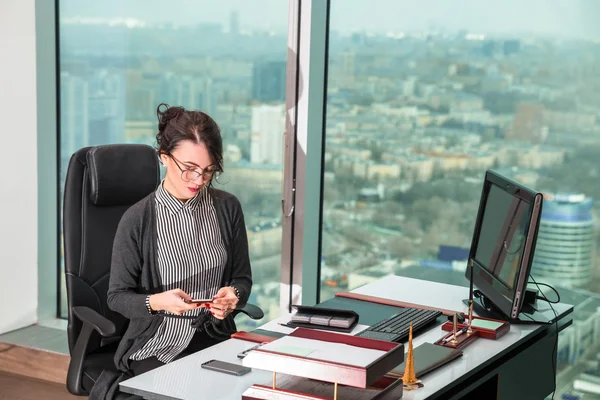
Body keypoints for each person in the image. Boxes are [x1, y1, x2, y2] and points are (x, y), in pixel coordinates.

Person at [106, 103, 253, 378]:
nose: (199, 179)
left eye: (208, 170)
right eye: (189, 168)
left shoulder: (227, 207)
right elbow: (117, 297)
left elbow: (242, 279)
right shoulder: (137, 219)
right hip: (158, 342)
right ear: (164, 157)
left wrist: (234, 296)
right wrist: (158, 302)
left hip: (216, 338)